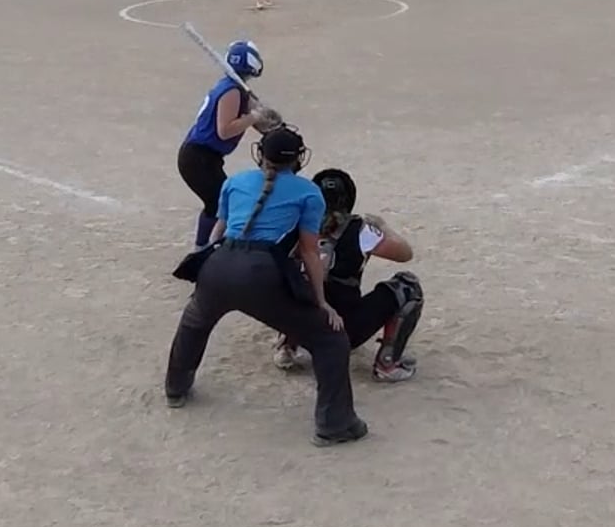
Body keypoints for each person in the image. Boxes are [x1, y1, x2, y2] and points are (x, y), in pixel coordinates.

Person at [164, 124, 369, 447]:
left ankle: (176, 388)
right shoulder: (308, 192)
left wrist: (206, 273)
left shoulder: (234, 182)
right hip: (261, 272)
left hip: (219, 263)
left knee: (195, 321)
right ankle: (335, 423)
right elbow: (309, 252)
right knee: (330, 339)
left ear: (260, 154)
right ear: (299, 159)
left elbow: (217, 232)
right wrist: (321, 302)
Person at [270, 168, 424, 382]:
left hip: (300, 325)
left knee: (286, 278)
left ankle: (289, 344)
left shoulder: (296, 225)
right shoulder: (360, 229)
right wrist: (383, 226)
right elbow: (405, 254)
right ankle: (387, 364)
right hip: (343, 330)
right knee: (408, 285)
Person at [177, 39, 280, 248]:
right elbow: (225, 131)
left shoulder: (238, 90)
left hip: (206, 158)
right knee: (218, 204)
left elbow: (258, 122)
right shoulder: (231, 91)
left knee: (220, 202)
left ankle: (206, 247)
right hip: (198, 157)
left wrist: (272, 124)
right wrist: (254, 116)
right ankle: (203, 249)